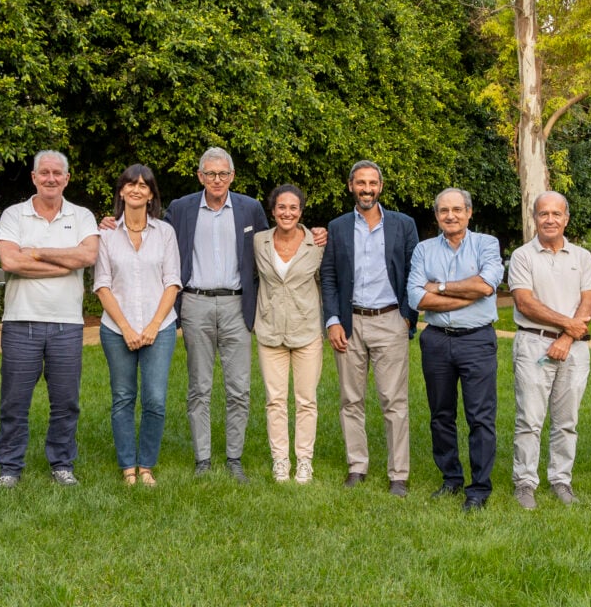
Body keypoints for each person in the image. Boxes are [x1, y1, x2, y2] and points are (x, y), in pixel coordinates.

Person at [164, 147, 269, 484]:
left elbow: (271, 246)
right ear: (200, 177)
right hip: (195, 303)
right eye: (210, 174)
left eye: (223, 174)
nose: (217, 180)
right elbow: (154, 237)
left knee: (239, 387)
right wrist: (115, 221)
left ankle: (234, 457)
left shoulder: (250, 208)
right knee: (199, 386)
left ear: (232, 176)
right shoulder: (180, 209)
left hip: (238, 305)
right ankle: (203, 458)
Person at [0, 151, 99, 488]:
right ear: (34, 177)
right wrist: (65, 263)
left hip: (67, 324)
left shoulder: (81, 216)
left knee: (66, 401)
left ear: (67, 178)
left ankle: (62, 464)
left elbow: (88, 256)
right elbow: (10, 262)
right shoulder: (14, 215)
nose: (51, 178)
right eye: (44, 173)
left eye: (57, 173)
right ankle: (10, 468)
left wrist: (36, 252)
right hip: (20, 320)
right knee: (14, 400)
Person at [321, 160, 418, 497]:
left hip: (391, 319)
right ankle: (357, 466)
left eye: (372, 183)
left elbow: (413, 273)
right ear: (350, 186)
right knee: (351, 399)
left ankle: (399, 474)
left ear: (381, 186)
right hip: (350, 322)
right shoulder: (337, 227)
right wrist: (332, 320)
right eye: (360, 183)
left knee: (394, 400)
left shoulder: (403, 225)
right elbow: (329, 276)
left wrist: (407, 315)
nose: (366, 189)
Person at [407, 187, 503, 511]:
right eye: (444, 210)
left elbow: (486, 286)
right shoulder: (423, 250)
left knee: (480, 417)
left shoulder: (486, 244)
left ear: (469, 212)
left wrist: (442, 288)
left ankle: (479, 488)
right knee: (441, 415)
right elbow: (417, 299)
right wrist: (469, 293)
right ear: (436, 215)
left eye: (457, 209)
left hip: (477, 340)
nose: (451, 215)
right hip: (436, 340)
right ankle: (451, 479)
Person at [507, 191, 591, 510]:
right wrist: (568, 327)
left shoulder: (582, 257)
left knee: (566, 420)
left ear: (566, 219)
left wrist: (566, 338)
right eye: (543, 214)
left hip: (573, 349)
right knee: (530, 418)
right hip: (533, 342)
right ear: (535, 218)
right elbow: (524, 302)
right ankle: (525, 483)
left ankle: (561, 480)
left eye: (556, 214)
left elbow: (588, 301)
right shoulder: (522, 256)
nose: (550, 219)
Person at [94, 164, 181, 487]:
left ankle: (147, 465)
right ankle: (127, 466)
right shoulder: (105, 234)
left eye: (144, 185)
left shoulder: (165, 233)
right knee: (123, 397)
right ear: (121, 191)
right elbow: (102, 284)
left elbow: (172, 281)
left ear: (151, 194)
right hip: (117, 330)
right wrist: (128, 328)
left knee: (155, 399)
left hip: (160, 327)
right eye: (131, 184)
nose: (137, 189)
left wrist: (154, 325)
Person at [254, 184, 324, 484]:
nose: (287, 212)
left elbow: (326, 282)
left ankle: (304, 461)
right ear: (273, 211)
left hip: (306, 330)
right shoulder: (259, 242)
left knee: (306, 400)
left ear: (301, 211)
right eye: (282, 207)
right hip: (270, 331)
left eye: (293, 208)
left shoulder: (316, 243)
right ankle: (281, 460)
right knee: (275, 400)